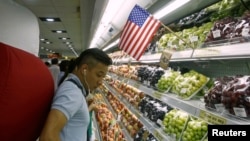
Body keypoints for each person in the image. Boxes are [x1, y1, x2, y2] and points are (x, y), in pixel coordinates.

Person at [39, 48, 112, 141]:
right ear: (84, 69)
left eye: (103, 77)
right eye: (99, 75)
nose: (100, 82)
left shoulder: (74, 88)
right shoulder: (72, 92)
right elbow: (47, 137)